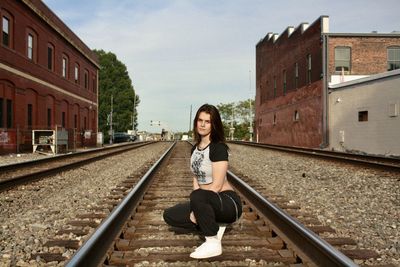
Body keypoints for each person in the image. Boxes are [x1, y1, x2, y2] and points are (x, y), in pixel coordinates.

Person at [163, 104, 242, 259]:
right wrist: (196, 208)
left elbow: (218, 184)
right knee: (170, 215)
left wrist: (197, 207)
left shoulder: (218, 148)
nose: (203, 124)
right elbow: (196, 178)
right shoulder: (195, 149)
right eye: (200, 120)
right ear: (196, 122)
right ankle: (215, 224)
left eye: (208, 121)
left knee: (198, 195)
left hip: (227, 202)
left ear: (214, 125)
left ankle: (213, 242)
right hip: (206, 199)